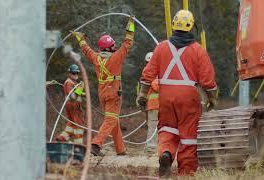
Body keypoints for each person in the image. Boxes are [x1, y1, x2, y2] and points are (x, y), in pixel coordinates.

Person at [136, 10, 218, 176]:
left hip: (166, 97)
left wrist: (142, 94)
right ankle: (186, 173)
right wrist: (212, 99)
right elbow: (208, 81)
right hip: (189, 99)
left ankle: (166, 152)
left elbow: (148, 74)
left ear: (174, 25)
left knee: (167, 129)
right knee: (188, 136)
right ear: (191, 26)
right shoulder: (198, 50)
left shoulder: (161, 47)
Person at [71, 15, 135, 156]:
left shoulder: (96, 57)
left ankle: (120, 149)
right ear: (108, 47)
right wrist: (131, 25)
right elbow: (127, 43)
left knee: (113, 120)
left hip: (102, 92)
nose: (115, 46)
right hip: (113, 92)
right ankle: (96, 144)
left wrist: (80, 38)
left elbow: (86, 50)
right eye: (113, 45)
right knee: (111, 119)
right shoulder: (116, 57)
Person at [56, 64, 85, 144]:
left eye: (76, 73)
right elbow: (72, 96)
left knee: (71, 124)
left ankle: (62, 137)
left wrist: (82, 93)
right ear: (69, 73)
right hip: (73, 107)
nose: (75, 75)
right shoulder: (69, 82)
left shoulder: (72, 82)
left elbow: (74, 93)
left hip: (73, 106)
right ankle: (78, 145)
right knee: (78, 125)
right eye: (73, 73)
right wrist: (80, 88)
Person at [143, 52, 159, 155]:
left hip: (158, 105)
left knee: (154, 127)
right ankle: (151, 149)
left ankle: (152, 149)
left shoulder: (159, 73)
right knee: (153, 126)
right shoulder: (147, 72)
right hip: (152, 105)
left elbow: (156, 85)